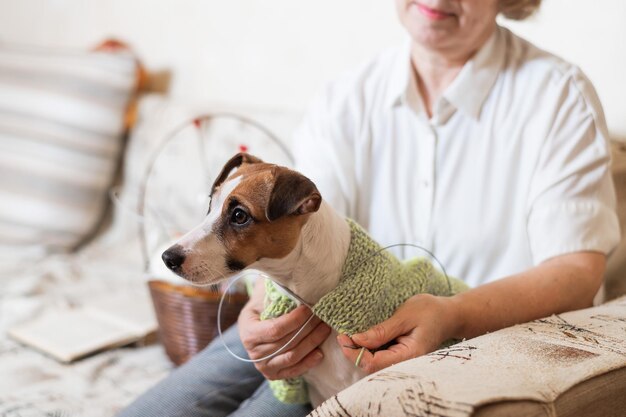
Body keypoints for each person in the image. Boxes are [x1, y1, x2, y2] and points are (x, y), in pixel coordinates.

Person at [118, 0, 620, 415]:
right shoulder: (348, 97)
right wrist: (257, 312)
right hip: (318, 325)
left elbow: (576, 271)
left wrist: (453, 314)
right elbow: (287, 235)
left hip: (473, 345)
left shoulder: (558, 96)